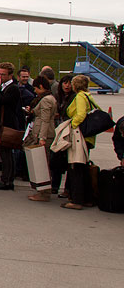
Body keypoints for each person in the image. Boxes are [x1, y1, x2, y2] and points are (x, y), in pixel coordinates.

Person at [59, 74, 97, 209]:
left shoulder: (80, 97)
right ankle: (87, 197)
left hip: (78, 135)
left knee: (76, 167)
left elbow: (80, 114)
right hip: (87, 136)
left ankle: (77, 199)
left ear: (75, 85)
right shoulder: (88, 96)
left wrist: (72, 126)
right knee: (83, 168)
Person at [0, 62, 23, 191]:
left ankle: (7, 179)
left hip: (8, 123)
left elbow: (2, 100)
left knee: (6, 152)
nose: (0, 77)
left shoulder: (12, 88)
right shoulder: (5, 87)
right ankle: (6, 178)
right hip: (2, 122)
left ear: (10, 75)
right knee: (4, 152)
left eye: (3, 74)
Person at [25, 75, 57, 201]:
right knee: (42, 163)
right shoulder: (48, 98)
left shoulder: (46, 100)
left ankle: (44, 193)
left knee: (42, 164)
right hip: (43, 132)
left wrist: (42, 137)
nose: (34, 91)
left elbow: (45, 119)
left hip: (44, 134)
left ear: (41, 87)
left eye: (36, 88)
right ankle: (42, 191)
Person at [51, 74, 75, 194]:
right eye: (65, 83)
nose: (67, 85)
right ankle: (55, 186)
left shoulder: (74, 97)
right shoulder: (58, 96)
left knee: (69, 161)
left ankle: (67, 189)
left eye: (70, 83)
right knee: (56, 160)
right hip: (58, 130)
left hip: (69, 131)